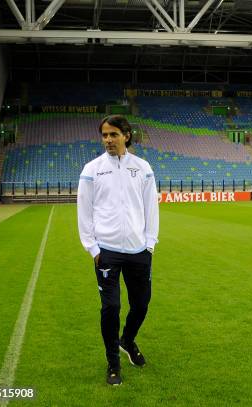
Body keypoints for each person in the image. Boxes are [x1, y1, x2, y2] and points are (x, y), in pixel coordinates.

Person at [77, 115, 159, 386]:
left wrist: (149, 244)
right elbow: (84, 211)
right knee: (110, 307)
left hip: (139, 250)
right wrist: (93, 247)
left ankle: (128, 340)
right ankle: (113, 363)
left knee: (141, 305)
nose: (108, 140)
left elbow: (151, 208)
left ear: (126, 134)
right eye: (104, 135)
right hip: (107, 251)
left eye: (113, 134)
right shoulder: (92, 169)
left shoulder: (143, 167)